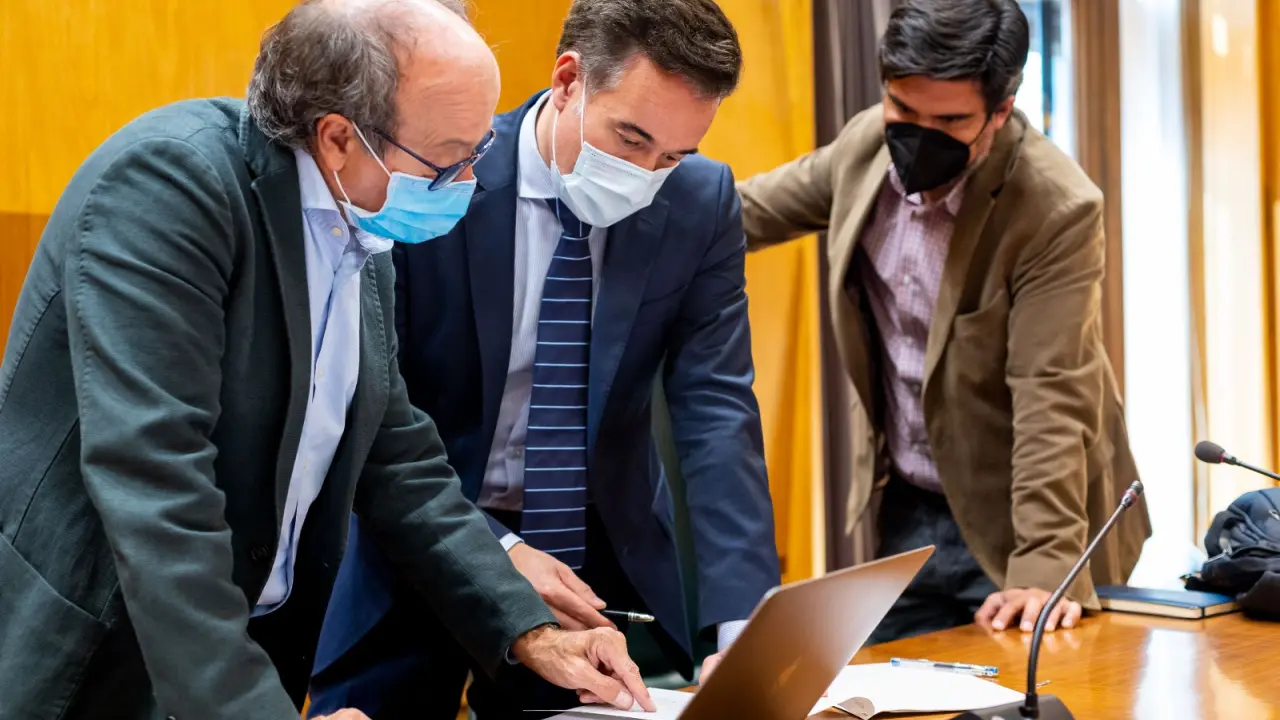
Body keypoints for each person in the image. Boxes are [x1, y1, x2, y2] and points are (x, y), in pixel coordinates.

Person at [0, 1, 657, 718]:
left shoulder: (361, 221)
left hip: (244, 650)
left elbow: (395, 455)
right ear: (339, 137)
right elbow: (156, 483)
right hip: (105, 661)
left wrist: (529, 629)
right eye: (447, 161)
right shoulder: (169, 186)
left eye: (478, 153)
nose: (468, 183)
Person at [310, 0, 781, 717]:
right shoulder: (435, 172)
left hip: (588, 573)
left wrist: (742, 625)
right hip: (414, 543)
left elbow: (715, 407)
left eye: (671, 157)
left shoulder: (698, 202)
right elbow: (367, 402)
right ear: (568, 81)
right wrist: (496, 552)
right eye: (630, 138)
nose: (644, 173)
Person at [736, 0, 1150, 644]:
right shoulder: (865, 146)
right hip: (911, 504)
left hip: (1026, 516)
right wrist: (636, 196)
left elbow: (1051, 394)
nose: (919, 135)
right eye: (904, 110)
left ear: (1001, 110)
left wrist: (1043, 567)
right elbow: (746, 212)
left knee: (1033, 687)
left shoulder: (1054, 208)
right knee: (878, 684)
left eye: (951, 121)